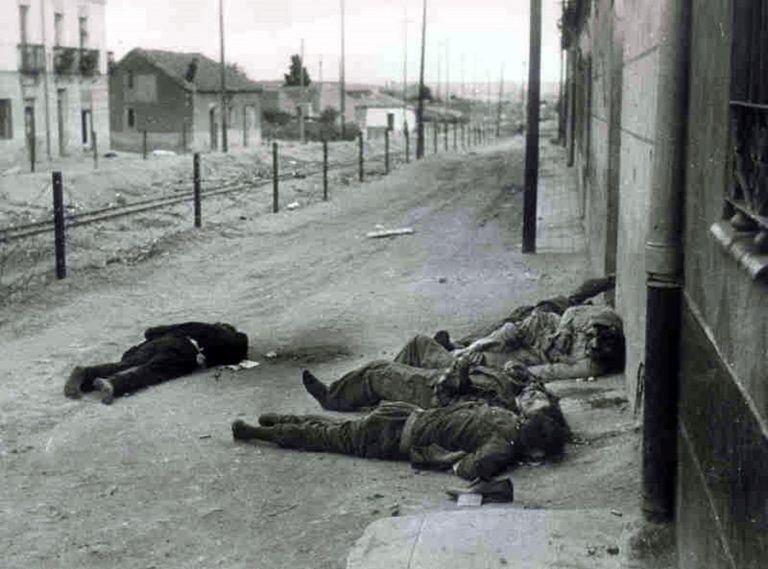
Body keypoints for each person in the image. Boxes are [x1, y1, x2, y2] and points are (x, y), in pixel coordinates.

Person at [299, 302, 624, 412]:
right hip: (492, 358)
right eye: (591, 336)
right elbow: (554, 318)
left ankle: (337, 397)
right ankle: (375, 393)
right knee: (416, 346)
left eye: (594, 343)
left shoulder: (588, 362)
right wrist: (478, 345)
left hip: (489, 373)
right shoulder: (597, 320)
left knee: (383, 369)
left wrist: (477, 360)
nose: (590, 339)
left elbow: (544, 372)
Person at [231, 394, 569, 481]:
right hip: (394, 436)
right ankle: (258, 432)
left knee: (337, 428)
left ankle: (277, 420)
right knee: (328, 438)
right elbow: (469, 469)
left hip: (405, 412)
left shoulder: (506, 416)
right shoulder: (503, 446)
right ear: (536, 450)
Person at [64, 322, 248, 404]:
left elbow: (157, 331)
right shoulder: (230, 340)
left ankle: (86, 374)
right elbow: (242, 345)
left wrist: (152, 333)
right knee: (151, 372)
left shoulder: (202, 327)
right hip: (185, 351)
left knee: (128, 363)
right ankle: (114, 384)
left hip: (165, 340)